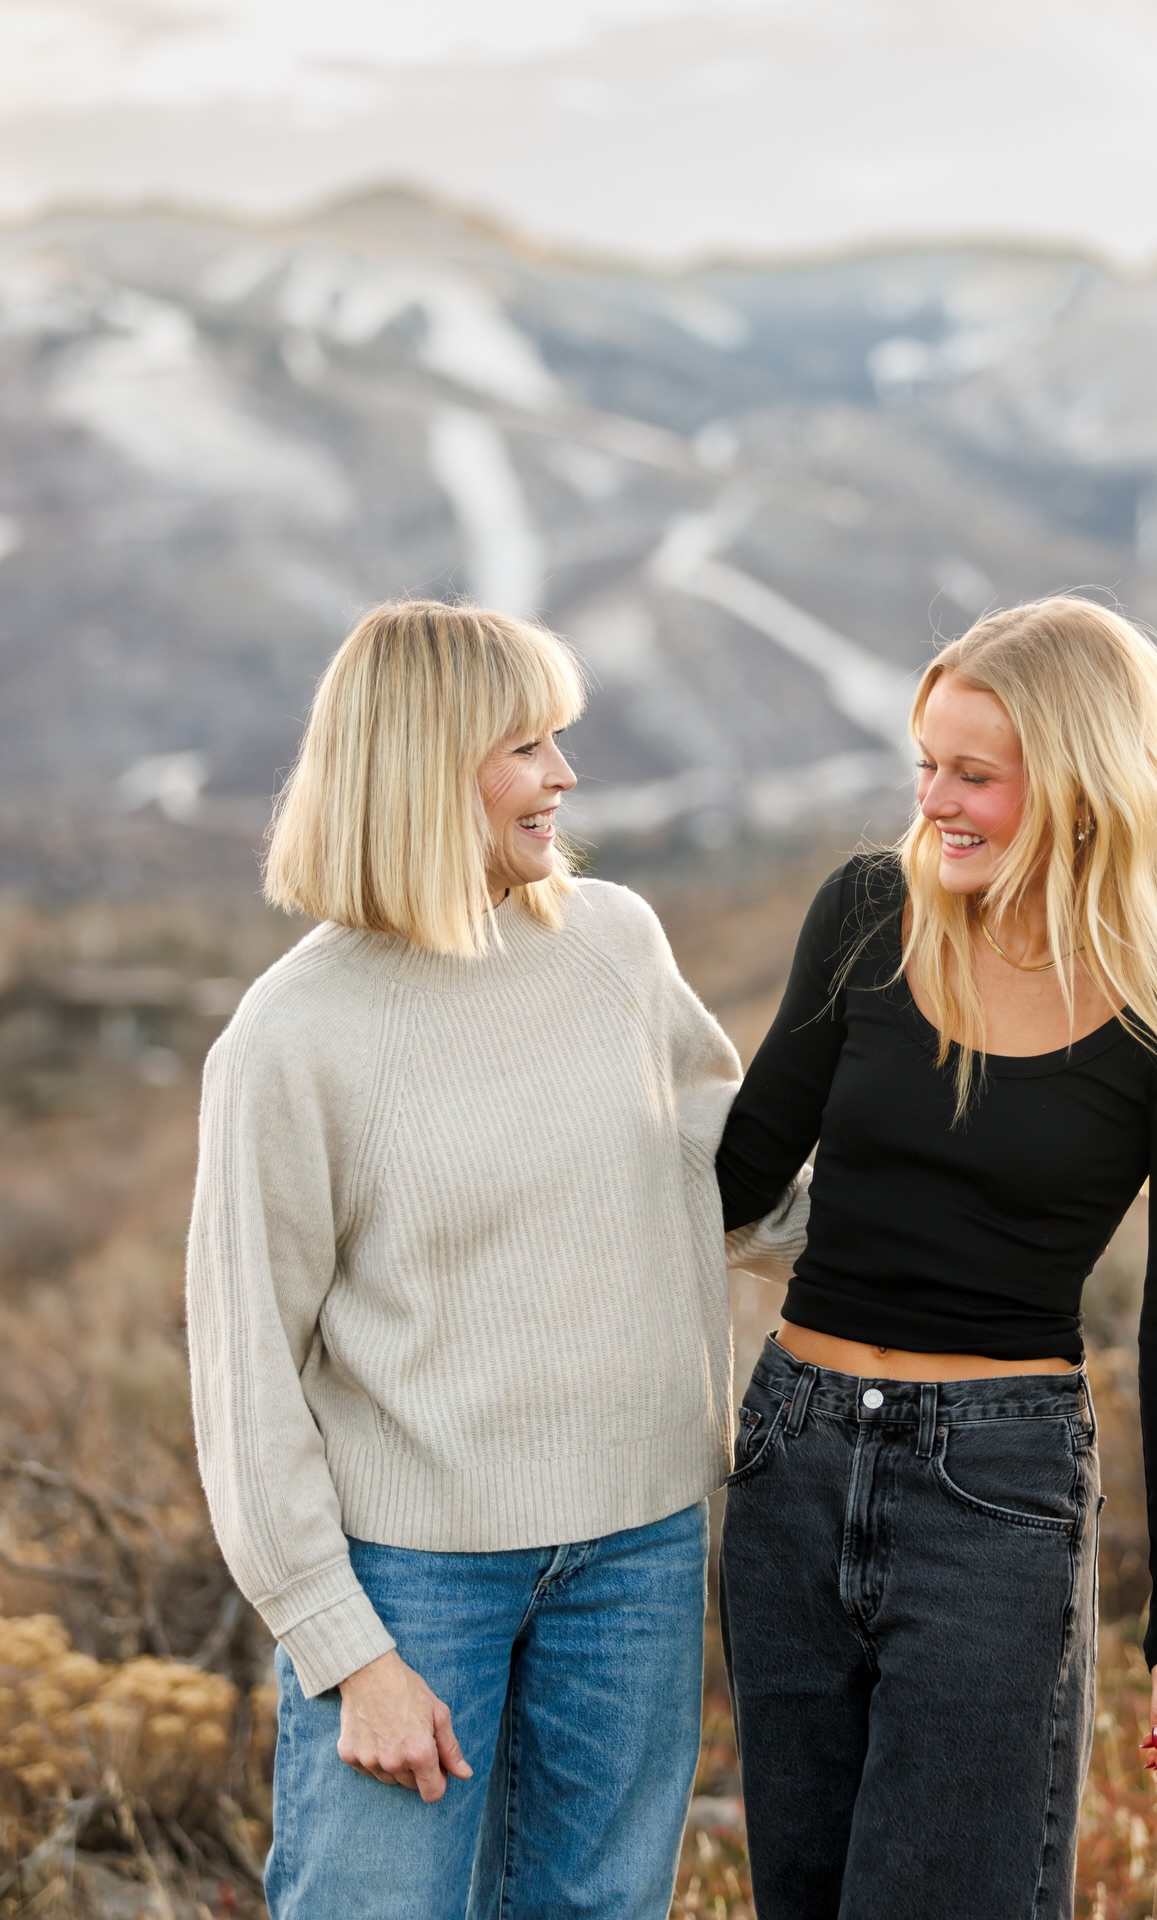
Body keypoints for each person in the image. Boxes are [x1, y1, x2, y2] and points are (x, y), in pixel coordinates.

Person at [186, 600, 805, 1920]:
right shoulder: (292, 1039)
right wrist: (346, 1652)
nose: (563, 779)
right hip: (415, 1581)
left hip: (639, 1547)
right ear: (422, 766)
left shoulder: (615, 944)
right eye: (527, 747)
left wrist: (967, 1217)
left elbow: (732, 1183)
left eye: (559, 741)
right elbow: (247, 1373)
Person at [715, 596, 1157, 1920]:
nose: (935, 804)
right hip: (790, 1462)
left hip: (995, 1490)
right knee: (800, 1896)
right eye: (925, 766)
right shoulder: (867, 911)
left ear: (1084, 787)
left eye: (975, 775)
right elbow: (737, 1178)